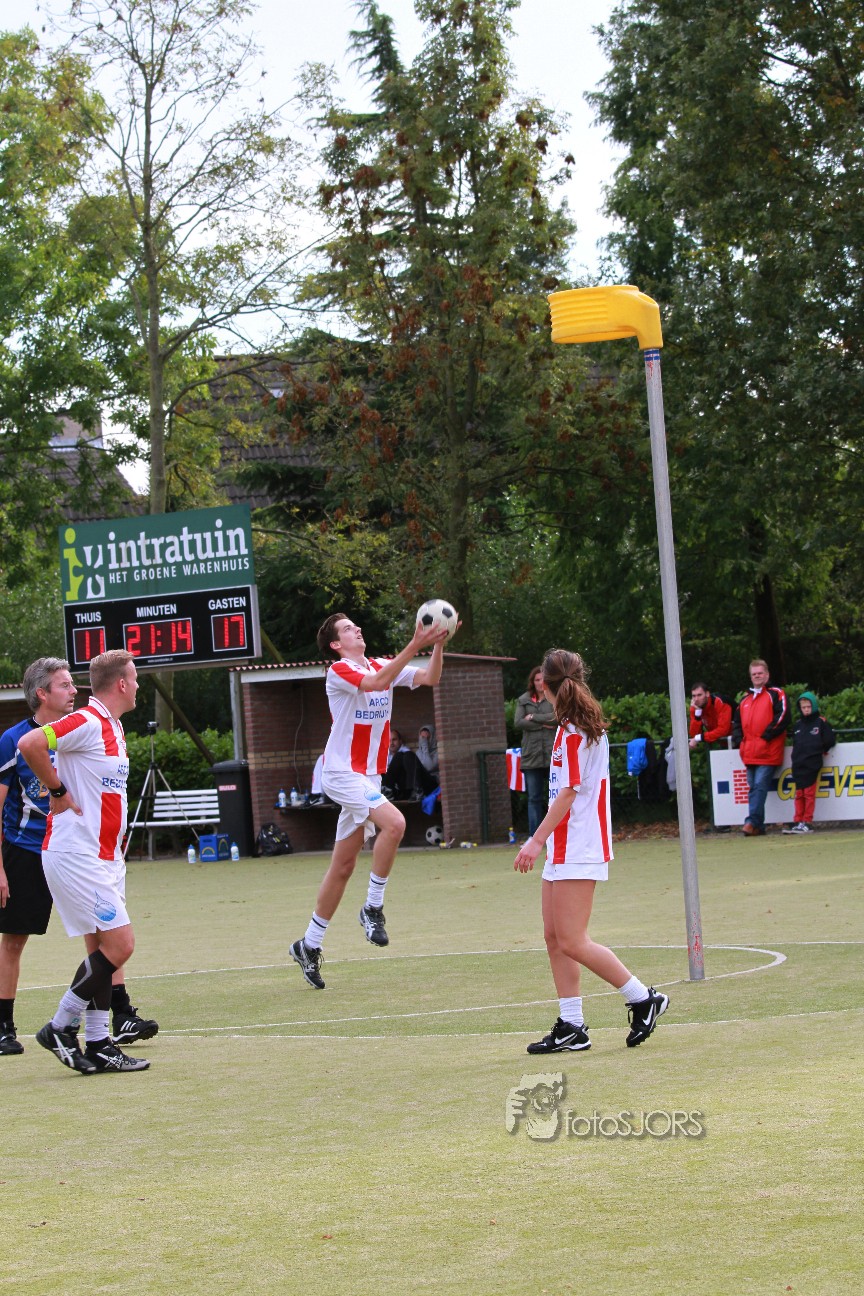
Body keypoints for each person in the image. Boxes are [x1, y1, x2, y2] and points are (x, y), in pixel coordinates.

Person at [512, 648, 669, 1053]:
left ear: (544, 686)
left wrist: (535, 840)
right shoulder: (571, 725)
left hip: (578, 844)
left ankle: (642, 998)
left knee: (572, 940)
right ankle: (572, 1025)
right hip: (565, 845)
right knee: (554, 937)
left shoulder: (574, 730)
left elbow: (568, 793)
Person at [0, 657, 157, 1057]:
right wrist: (56, 791)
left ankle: (100, 1041)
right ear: (121, 684)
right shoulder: (87, 721)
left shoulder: (113, 726)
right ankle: (58, 1026)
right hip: (73, 853)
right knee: (120, 944)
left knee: (101, 946)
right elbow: (30, 744)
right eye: (135, 679)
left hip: (104, 856)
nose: (139, 686)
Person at [290, 613, 451, 990]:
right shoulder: (339, 671)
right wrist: (415, 643)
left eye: (356, 626)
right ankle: (372, 907)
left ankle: (308, 944)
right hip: (342, 772)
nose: (357, 629)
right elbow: (376, 683)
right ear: (336, 644)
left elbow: (431, 677)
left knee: (343, 866)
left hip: (368, 777)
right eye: (348, 629)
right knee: (395, 824)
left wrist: (438, 645)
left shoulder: (382, 664)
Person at [731, 659, 790, 836]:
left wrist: (766, 736)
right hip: (749, 752)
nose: (757, 676)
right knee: (754, 788)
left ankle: (751, 822)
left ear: (767, 675)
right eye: (754, 674)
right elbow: (736, 723)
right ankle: (758, 826)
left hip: (768, 751)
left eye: (760, 673)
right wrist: (740, 740)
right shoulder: (745, 699)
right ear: (751, 676)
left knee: (758, 786)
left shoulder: (776, 693)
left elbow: (783, 716)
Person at [783, 691, 836, 834]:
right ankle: (798, 821)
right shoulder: (798, 725)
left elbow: (830, 740)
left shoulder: (821, 722)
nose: (806, 710)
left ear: (813, 706)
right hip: (798, 764)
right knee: (799, 794)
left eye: (808, 707)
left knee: (808, 794)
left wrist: (820, 750)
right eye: (803, 707)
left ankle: (807, 822)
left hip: (813, 763)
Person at [515, 666, 557, 837]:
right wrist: (544, 724)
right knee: (534, 798)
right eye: (537, 680)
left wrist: (533, 717)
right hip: (531, 757)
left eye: (543, 679)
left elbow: (557, 718)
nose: (540, 683)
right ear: (533, 682)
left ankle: (556, 834)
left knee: (556, 797)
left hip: (553, 755)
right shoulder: (523, 700)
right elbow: (518, 722)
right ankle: (534, 837)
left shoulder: (554, 697)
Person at [688, 682, 733, 750]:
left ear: (707, 694)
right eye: (694, 696)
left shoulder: (720, 703)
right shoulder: (695, 708)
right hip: (723, 742)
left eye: (699, 695)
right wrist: (698, 714)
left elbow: (723, 730)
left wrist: (700, 737)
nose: (696, 699)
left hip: (738, 739)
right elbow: (694, 735)